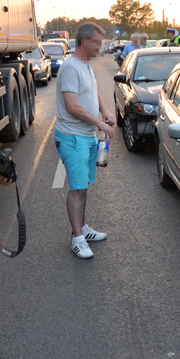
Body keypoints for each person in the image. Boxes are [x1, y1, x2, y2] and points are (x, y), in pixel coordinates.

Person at [55, 22, 116, 259]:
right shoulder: (71, 67)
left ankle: (82, 229)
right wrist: (100, 123)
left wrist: (105, 111)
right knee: (77, 189)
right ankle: (77, 239)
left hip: (88, 137)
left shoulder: (84, 65)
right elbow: (71, 106)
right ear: (86, 41)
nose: (100, 47)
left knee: (83, 187)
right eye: (98, 42)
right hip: (73, 138)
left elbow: (92, 91)